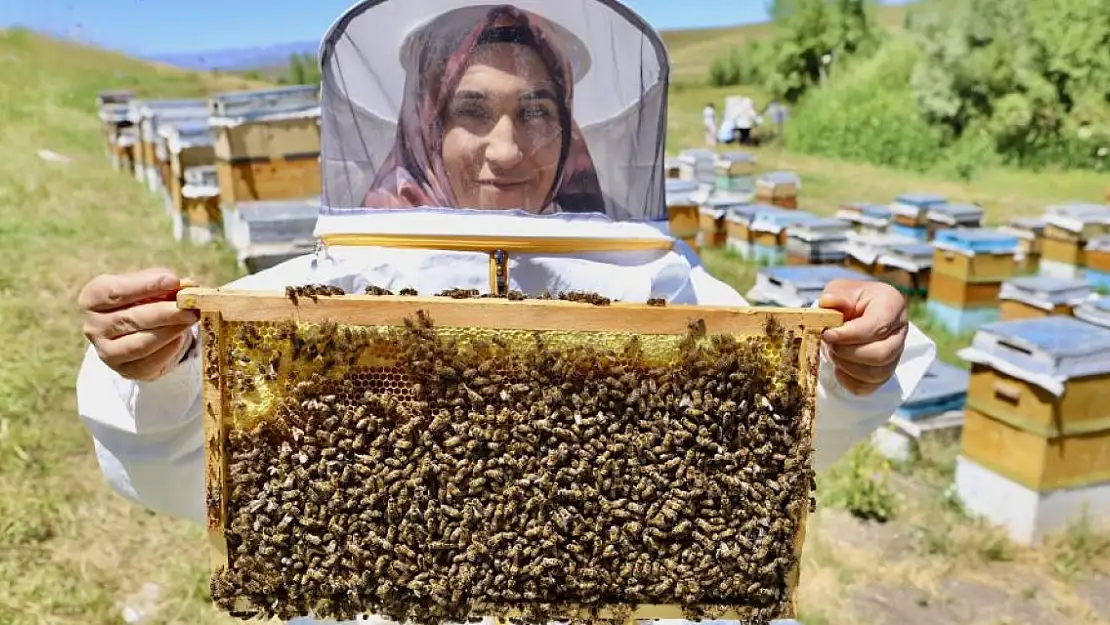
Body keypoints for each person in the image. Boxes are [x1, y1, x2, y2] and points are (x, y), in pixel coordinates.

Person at [75, 3, 935, 625]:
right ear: (423, 119)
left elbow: (758, 452)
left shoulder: (658, 290)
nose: (507, 148)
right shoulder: (320, 297)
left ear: (571, 126)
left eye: (538, 111)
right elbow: (185, 475)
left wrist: (853, 368)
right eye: (471, 110)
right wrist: (155, 375)